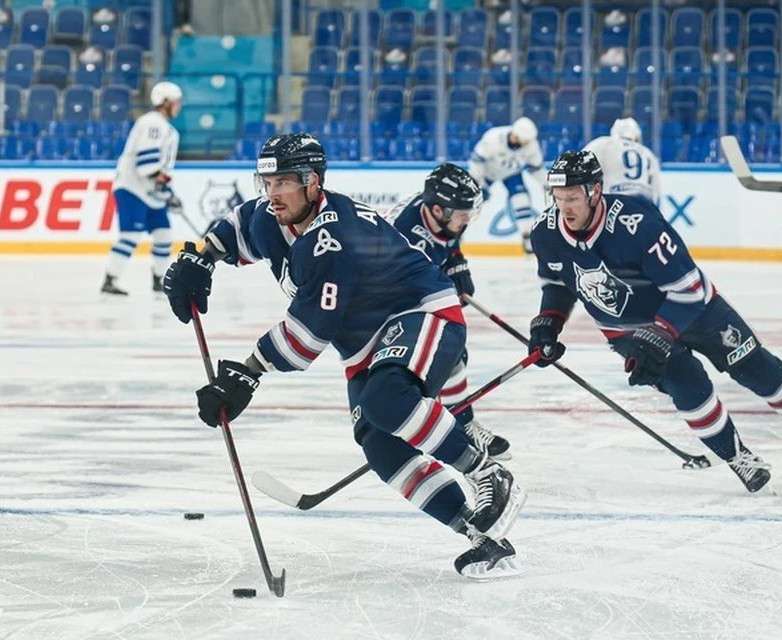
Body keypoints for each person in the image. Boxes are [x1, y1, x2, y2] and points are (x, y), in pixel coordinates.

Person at [162, 134, 526, 579]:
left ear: (313, 183)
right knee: (379, 445)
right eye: (267, 182)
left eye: (284, 183)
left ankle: (485, 472)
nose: (272, 193)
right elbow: (236, 227)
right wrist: (200, 257)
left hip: (420, 312)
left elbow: (310, 334)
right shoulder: (269, 215)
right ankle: (481, 535)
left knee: (387, 400)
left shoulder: (333, 238)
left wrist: (247, 373)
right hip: (364, 345)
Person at [526, 149, 782, 493]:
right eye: (558, 198)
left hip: (694, 312)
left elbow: (691, 289)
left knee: (757, 368)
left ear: (595, 192)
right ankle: (738, 458)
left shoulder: (637, 224)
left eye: (572, 198)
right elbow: (558, 283)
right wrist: (549, 322)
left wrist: (661, 331)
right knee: (688, 388)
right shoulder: (545, 234)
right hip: (629, 330)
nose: (564, 208)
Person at [384, 162, 511, 460]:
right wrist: (444, 285)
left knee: (451, 351)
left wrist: (455, 260)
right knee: (440, 354)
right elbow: (403, 289)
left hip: (407, 289)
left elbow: (449, 239)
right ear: (439, 210)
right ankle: (433, 425)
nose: (467, 221)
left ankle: (458, 423)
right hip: (382, 304)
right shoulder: (405, 238)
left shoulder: (438, 213)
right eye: (462, 215)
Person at [101, 81, 182, 296]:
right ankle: (110, 280)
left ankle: (159, 280)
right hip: (131, 188)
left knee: (163, 234)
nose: (178, 106)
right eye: (175, 102)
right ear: (165, 102)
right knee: (131, 235)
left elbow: (155, 169)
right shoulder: (153, 123)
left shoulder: (163, 127)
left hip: (148, 192)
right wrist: (163, 184)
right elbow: (147, 164)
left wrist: (167, 192)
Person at [468, 117, 547, 253]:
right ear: (515, 135)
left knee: (521, 200)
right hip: (487, 172)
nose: (526, 143)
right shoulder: (493, 137)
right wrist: (479, 183)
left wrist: (547, 183)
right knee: (470, 202)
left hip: (512, 173)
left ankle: (527, 238)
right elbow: (477, 160)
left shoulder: (531, 145)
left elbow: (536, 168)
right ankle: (457, 233)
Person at [583, 117, 661, 205]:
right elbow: (656, 191)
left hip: (615, 202)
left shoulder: (602, 144)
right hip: (644, 205)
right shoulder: (648, 153)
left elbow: (581, 163)